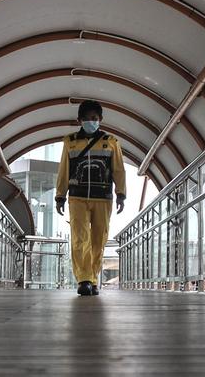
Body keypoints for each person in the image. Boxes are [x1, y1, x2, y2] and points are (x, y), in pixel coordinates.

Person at [55, 100, 126, 296]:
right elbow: (64, 170)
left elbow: (118, 169)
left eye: (94, 119)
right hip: (77, 197)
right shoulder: (70, 141)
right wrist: (60, 196)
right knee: (80, 238)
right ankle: (84, 279)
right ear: (79, 120)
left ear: (100, 120)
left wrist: (121, 193)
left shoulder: (111, 141)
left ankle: (93, 278)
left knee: (98, 239)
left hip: (103, 197)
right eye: (86, 119)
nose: (90, 122)